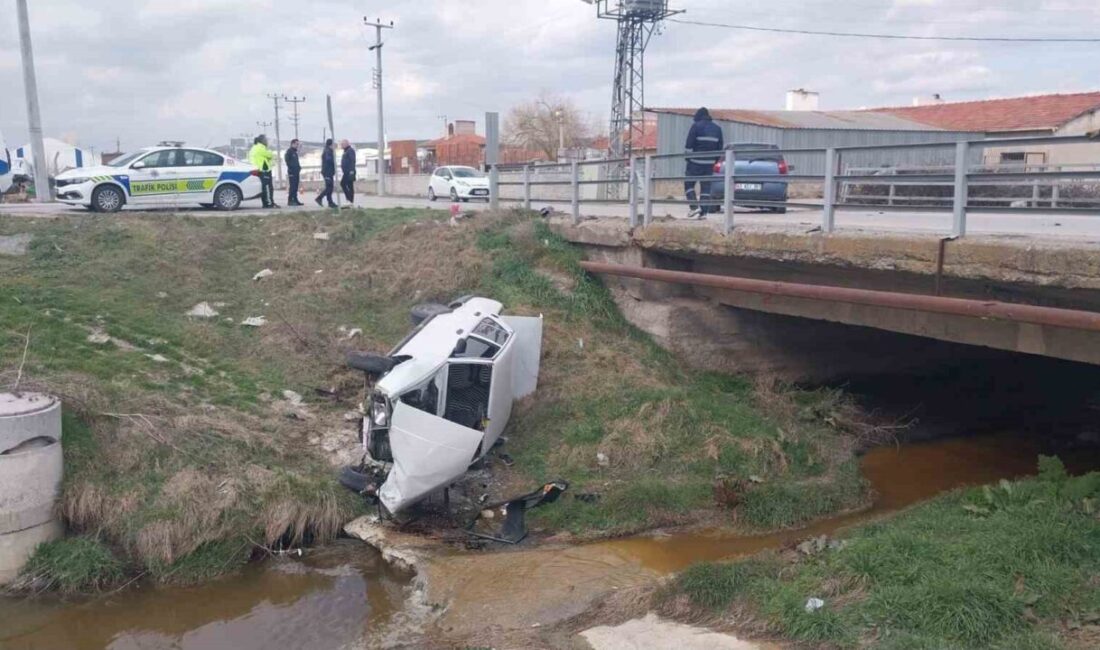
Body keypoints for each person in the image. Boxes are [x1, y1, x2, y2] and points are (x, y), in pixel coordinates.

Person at [683, 107, 724, 219]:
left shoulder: (696, 126)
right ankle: (703, 213)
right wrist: (713, 161)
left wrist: (688, 159)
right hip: (709, 164)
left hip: (695, 162)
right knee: (705, 189)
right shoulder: (717, 129)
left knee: (688, 184)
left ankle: (694, 207)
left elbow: (689, 145)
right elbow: (720, 148)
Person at [249, 134, 278, 209]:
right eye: (266, 139)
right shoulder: (260, 148)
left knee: (265, 188)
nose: (267, 141)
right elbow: (270, 155)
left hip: (258, 170)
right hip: (264, 170)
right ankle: (269, 203)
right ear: (262, 141)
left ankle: (266, 203)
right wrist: (271, 153)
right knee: (267, 187)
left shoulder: (254, 148)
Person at [315, 139, 337, 208]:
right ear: (331, 144)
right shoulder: (328, 151)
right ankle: (319, 198)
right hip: (327, 172)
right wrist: (334, 160)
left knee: (329, 187)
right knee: (329, 187)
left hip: (329, 171)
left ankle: (330, 202)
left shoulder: (329, 150)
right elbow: (328, 159)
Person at [285, 139, 303, 206]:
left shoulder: (295, 152)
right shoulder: (289, 151)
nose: (297, 145)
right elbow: (287, 161)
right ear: (292, 144)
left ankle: (295, 200)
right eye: (296, 144)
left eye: (298, 144)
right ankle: (290, 201)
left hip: (296, 172)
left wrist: (298, 168)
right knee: (292, 187)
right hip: (292, 172)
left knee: (295, 187)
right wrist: (292, 168)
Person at [340, 139, 356, 207]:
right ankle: (348, 200)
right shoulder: (345, 151)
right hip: (346, 172)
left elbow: (352, 161)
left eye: (342, 144)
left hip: (349, 172)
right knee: (344, 184)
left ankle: (350, 201)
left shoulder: (350, 150)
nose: (341, 145)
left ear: (346, 144)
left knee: (348, 186)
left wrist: (351, 171)